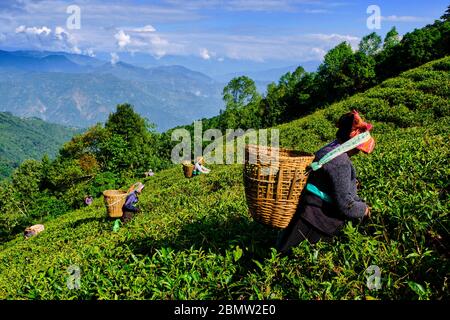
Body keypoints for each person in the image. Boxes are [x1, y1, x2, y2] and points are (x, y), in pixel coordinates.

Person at [276, 110, 375, 255]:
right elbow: (345, 205)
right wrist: (364, 209)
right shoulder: (341, 162)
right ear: (353, 144)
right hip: (317, 224)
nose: (358, 153)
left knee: (281, 255)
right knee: (297, 261)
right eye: (358, 149)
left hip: (303, 214)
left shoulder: (327, 150)